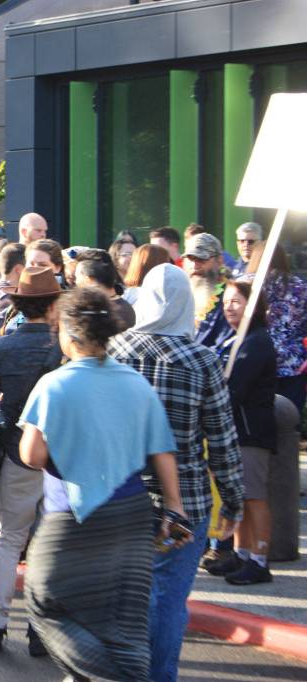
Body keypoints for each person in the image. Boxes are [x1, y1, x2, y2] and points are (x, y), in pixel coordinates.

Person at [19, 286, 190, 682]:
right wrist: (175, 506)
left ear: (68, 332)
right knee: (122, 624)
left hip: (72, 519)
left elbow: (32, 455)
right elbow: (162, 449)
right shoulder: (134, 382)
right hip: (131, 516)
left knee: (46, 600)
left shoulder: (54, 384)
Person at [107, 263, 243, 682]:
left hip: (117, 496)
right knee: (167, 600)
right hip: (184, 502)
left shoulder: (113, 351)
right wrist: (234, 500)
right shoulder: (203, 360)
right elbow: (221, 440)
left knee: (122, 597)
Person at [0, 266, 62, 657]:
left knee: (9, 541)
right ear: (53, 304)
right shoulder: (64, 347)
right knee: (48, 546)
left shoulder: (4, 346)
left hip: (16, 449)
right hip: (60, 458)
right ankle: (39, 629)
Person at [203, 281, 277, 585]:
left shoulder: (256, 342)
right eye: (227, 301)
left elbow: (235, 388)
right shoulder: (234, 339)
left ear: (253, 305)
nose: (229, 307)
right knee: (240, 495)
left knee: (254, 496)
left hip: (250, 430)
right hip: (235, 430)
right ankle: (241, 552)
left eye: (237, 301)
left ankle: (260, 559)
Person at [245, 243, 307, 413]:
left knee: (258, 423)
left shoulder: (248, 284)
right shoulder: (299, 287)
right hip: (293, 365)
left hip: (256, 362)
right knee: (288, 424)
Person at [183, 233, 229, 349]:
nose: (195, 265)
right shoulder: (182, 294)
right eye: (190, 258)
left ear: (219, 260)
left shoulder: (230, 297)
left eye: (201, 259)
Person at [74, 256, 135, 330]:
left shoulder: (96, 313)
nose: (75, 282)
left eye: (77, 277)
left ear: (89, 280)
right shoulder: (126, 306)